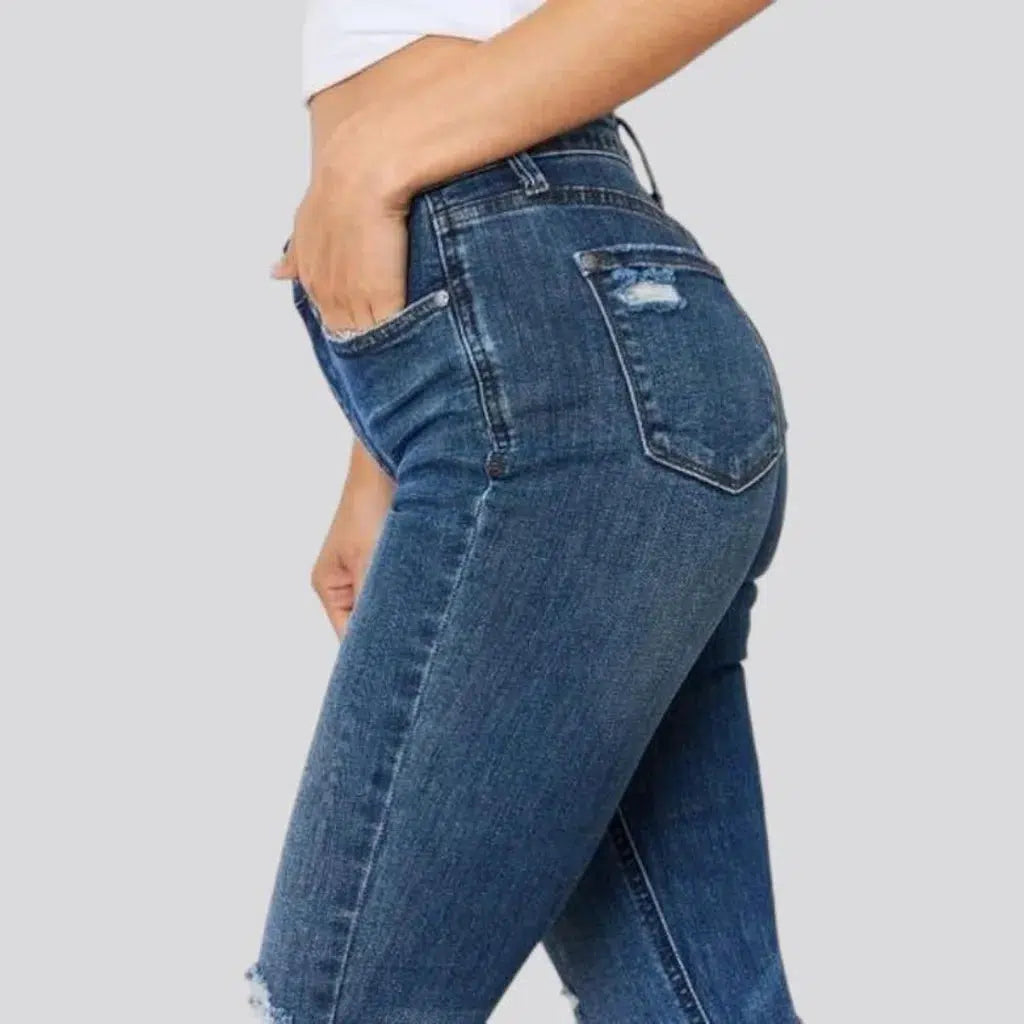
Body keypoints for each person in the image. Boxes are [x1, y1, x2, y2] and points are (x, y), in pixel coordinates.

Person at [246, 1, 800, 1021]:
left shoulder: (404, 158)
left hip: (549, 344)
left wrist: (373, 158)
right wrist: (381, 452)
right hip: (555, 335)